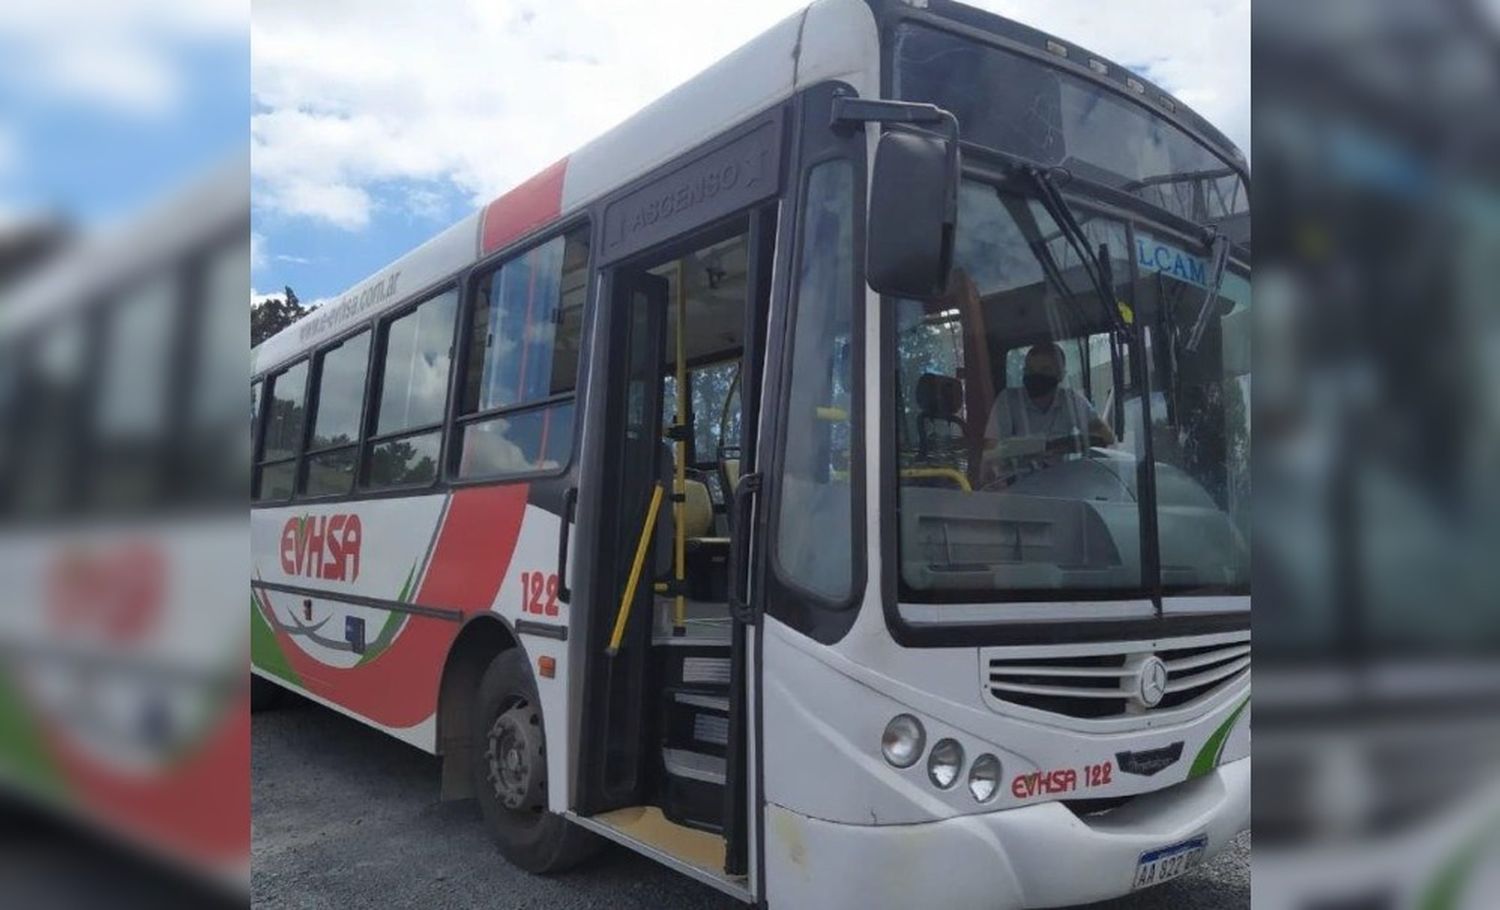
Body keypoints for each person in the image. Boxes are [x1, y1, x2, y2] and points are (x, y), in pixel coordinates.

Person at [982, 342, 1115, 477]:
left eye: (1045, 370)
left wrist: (1069, 443)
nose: (1035, 375)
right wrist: (1048, 445)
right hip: (1016, 486)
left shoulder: (1070, 400)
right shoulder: (1008, 400)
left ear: (1061, 374)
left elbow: (1106, 437)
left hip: (1059, 483)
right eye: (1029, 370)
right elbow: (991, 449)